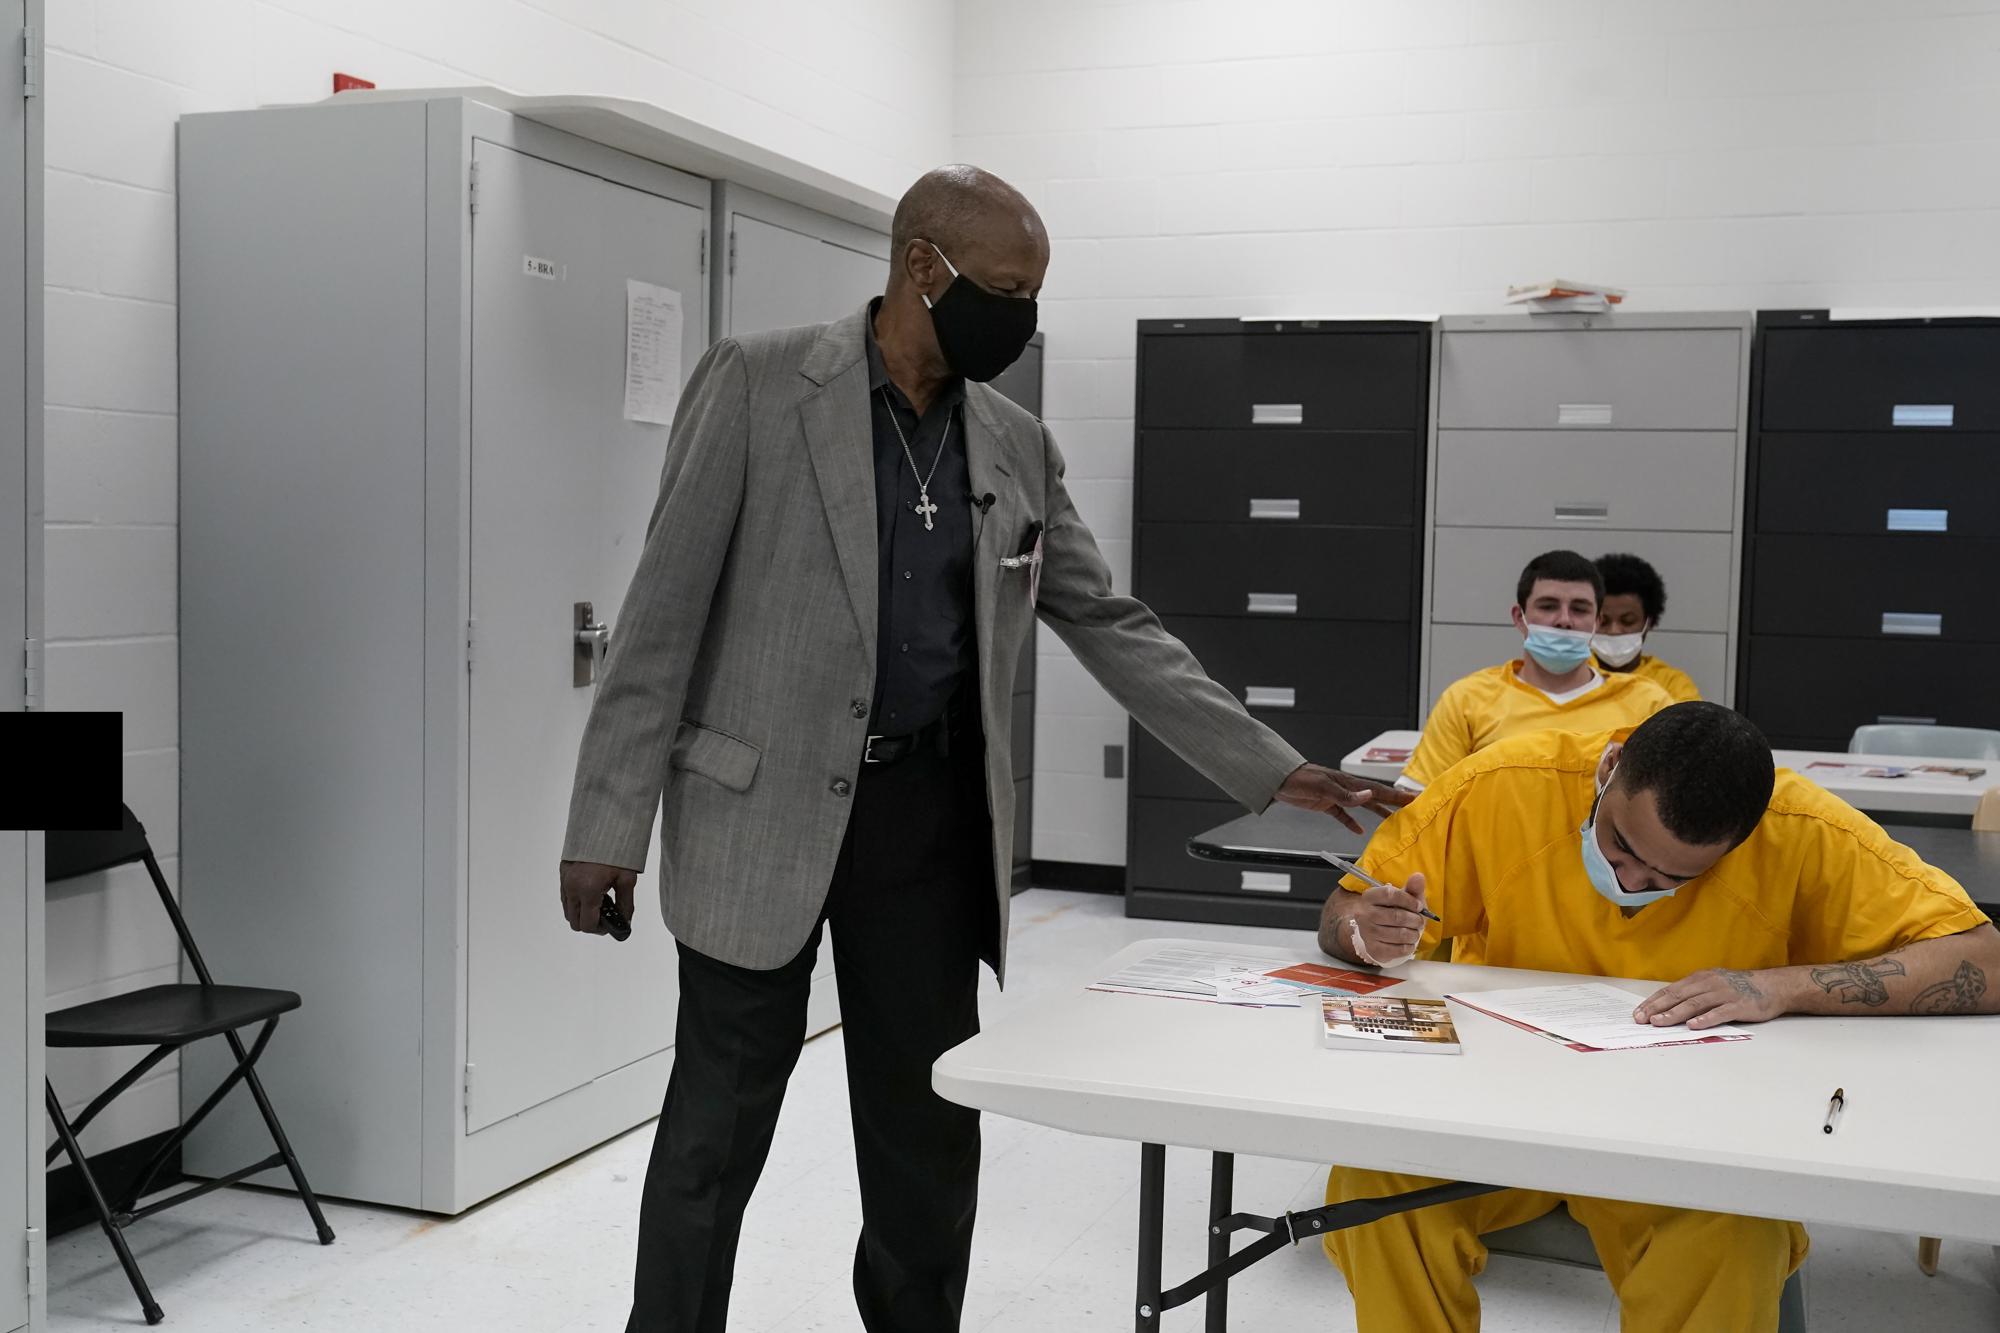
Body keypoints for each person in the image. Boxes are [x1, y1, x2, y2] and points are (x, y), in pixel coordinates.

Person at [554, 165, 1404, 1333]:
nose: (1021, 316)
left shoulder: (1012, 442)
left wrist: (1271, 765)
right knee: (712, 1138)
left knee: (925, 1143)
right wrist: (605, 826)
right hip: (754, 821)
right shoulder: (756, 385)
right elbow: (659, 619)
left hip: (926, 831)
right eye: (1003, 288)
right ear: (919, 266)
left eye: (1034, 293)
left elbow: (1107, 620)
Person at [1316, 702, 1999, 1333]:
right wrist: (1362, 931)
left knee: (1737, 1233)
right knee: (1372, 1183)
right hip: (1497, 1110)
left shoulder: (1804, 831)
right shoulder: (1506, 785)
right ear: (1608, 768)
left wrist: (1788, 985)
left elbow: (1985, 960)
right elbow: (1342, 911)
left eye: (1674, 877)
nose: (1632, 881)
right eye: (1621, 844)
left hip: (1686, 1135)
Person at [1401, 549, 1672, 790]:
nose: (1564, 620)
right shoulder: (1466, 700)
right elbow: (1421, 805)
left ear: (1596, 621)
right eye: (1548, 606)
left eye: (1579, 609)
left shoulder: (1648, 703)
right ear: (1520, 618)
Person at [1593, 551, 1700, 703]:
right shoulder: (1570, 678)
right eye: (1603, 622)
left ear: (1649, 622)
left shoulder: (1672, 684)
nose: (1614, 631)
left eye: (1628, 621)